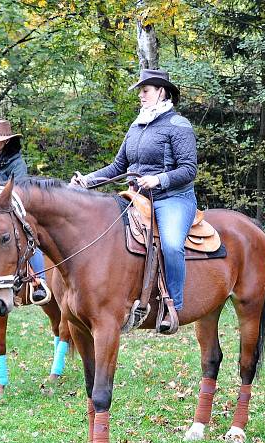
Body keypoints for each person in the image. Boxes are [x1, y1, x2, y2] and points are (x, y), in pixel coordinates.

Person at [71, 68, 197, 326]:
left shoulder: (178, 125)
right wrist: (87, 180)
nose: (141, 95)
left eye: (145, 90)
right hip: (136, 197)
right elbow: (118, 167)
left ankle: (173, 305)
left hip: (172, 198)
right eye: (140, 91)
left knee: (171, 245)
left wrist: (159, 179)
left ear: (162, 92)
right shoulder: (137, 125)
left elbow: (188, 169)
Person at [0, 118, 49, 304]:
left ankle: (39, 283)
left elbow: (20, 190)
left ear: (6, 141)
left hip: (12, 205)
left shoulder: (18, 162)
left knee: (29, 234)